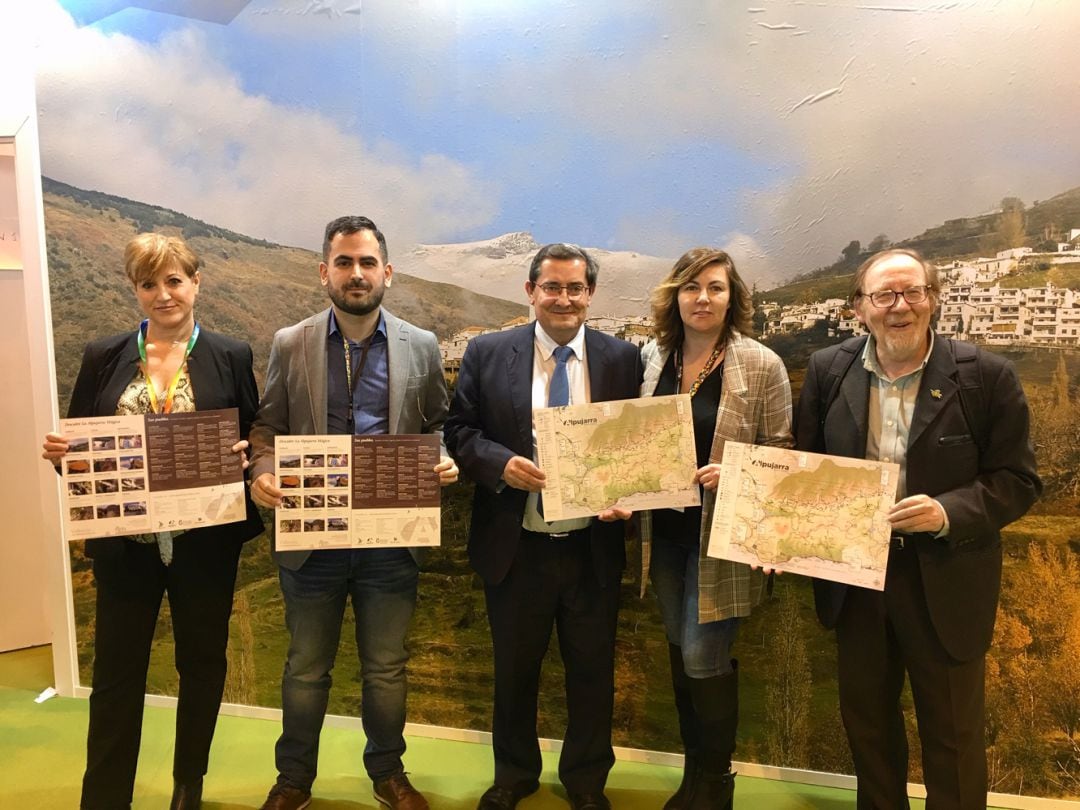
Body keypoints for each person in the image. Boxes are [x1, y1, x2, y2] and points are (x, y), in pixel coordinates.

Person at [794, 248, 1041, 809]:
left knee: (952, 736)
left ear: (932, 299)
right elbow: (805, 470)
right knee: (868, 729)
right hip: (855, 578)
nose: (899, 307)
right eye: (884, 295)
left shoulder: (986, 377)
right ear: (860, 308)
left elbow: (1018, 480)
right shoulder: (830, 372)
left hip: (946, 577)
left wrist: (948, 512)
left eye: (912, 293)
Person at [41, 233, 264, 810]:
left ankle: (188, 788)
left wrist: (244, 458)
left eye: (174, 281)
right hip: (126, 545)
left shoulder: (231, 353)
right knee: (116, 678)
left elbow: (252, 435)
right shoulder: (103, 354)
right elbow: (83, 450)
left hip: (204, 545)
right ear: (134, 289)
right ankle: (106, 797)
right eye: (148, 283)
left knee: (201, 669)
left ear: (195, 283)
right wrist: (68, 460)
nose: (163, 294)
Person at [248, 215, 458, 810]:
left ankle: (389, 775)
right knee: (305, 669)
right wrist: (263, 473)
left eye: (368, 263)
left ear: (386, 272)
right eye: (344, 262)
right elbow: (267, 428)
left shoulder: (420, 344)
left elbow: (438, 425)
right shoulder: (291, 342)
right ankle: (293, 782)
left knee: (387, 668)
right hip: (312, 539)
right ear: (324, 273)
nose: (357, 274)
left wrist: (443, 459)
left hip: (391, 542)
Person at [444, 243, 642, 810]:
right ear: (530, 292)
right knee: (513, 671)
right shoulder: (486, 352)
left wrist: (628, 494)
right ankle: (513, 776)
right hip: (516, 545)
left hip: (592, 546)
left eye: (574, 288)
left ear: (590, 295)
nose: (563, 298)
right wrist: (499, 465)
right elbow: (459, 432)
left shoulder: (622, 359)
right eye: (551, 287)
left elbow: (634, 444)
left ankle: (585, 783)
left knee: (592, 674)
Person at [638, 248, 792, 810]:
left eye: (716, 288)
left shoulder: (761, 364)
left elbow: (781, 450)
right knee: (681, 653)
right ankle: (695, 774)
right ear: (673, 296)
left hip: (723, 537)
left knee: (704, 657)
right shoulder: (653, 358)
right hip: (665, 538)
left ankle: (716, 779)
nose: (703, 298)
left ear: (734, 298)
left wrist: (737, 472)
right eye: (691, 287)